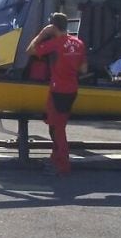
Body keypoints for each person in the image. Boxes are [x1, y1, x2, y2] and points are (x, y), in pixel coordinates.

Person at [26, 13, 88, 176]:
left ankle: (63, 164)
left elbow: (30, 50)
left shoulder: (54, 44)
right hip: (71, 89)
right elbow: (83, 69)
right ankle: (55, 157)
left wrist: (42, 34)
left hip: (57, 89)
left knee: (58, 129)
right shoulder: (79, 43)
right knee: (56, 125)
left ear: (53, 27)